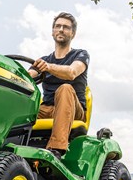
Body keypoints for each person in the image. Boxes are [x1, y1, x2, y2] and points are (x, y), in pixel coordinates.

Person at [29, 12, 89, 159]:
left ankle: (56, 149)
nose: (61, 29)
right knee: (22, 103)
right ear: (53, 32)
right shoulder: (43, 60)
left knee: (65, 88)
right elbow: (26, 76)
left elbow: (72, 72)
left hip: (73, 109)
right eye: (58, 26)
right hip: (47, 109)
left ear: (73, 33)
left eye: (66, 27)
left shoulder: (80, 55)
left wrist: (49, 67)